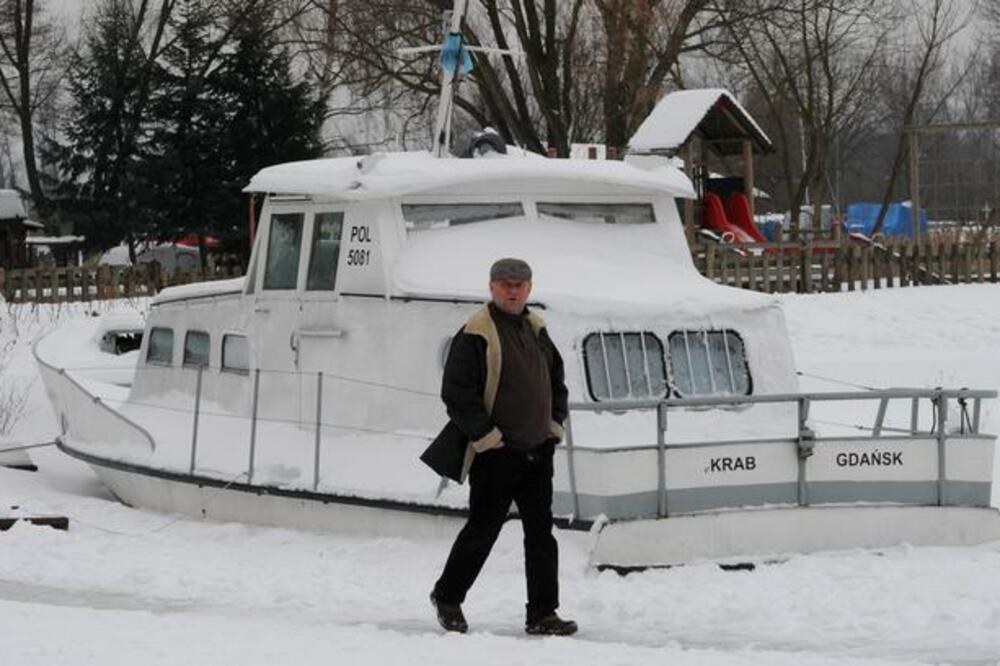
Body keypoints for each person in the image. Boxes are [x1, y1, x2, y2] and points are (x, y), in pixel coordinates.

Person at [429, 257, 577, 636]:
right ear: (492, 287)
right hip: (496, 453)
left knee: (541, 536)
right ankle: (447, 597)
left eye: (520, 284)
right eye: (505, 284)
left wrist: (553, 426)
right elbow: (457, 393)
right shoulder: (476, 332)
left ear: (529, 288)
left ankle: (543, 613)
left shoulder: (536, 328)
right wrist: (488, 438)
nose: (513, 290)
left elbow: (556, 382)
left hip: (537, 451)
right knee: (483, 530)